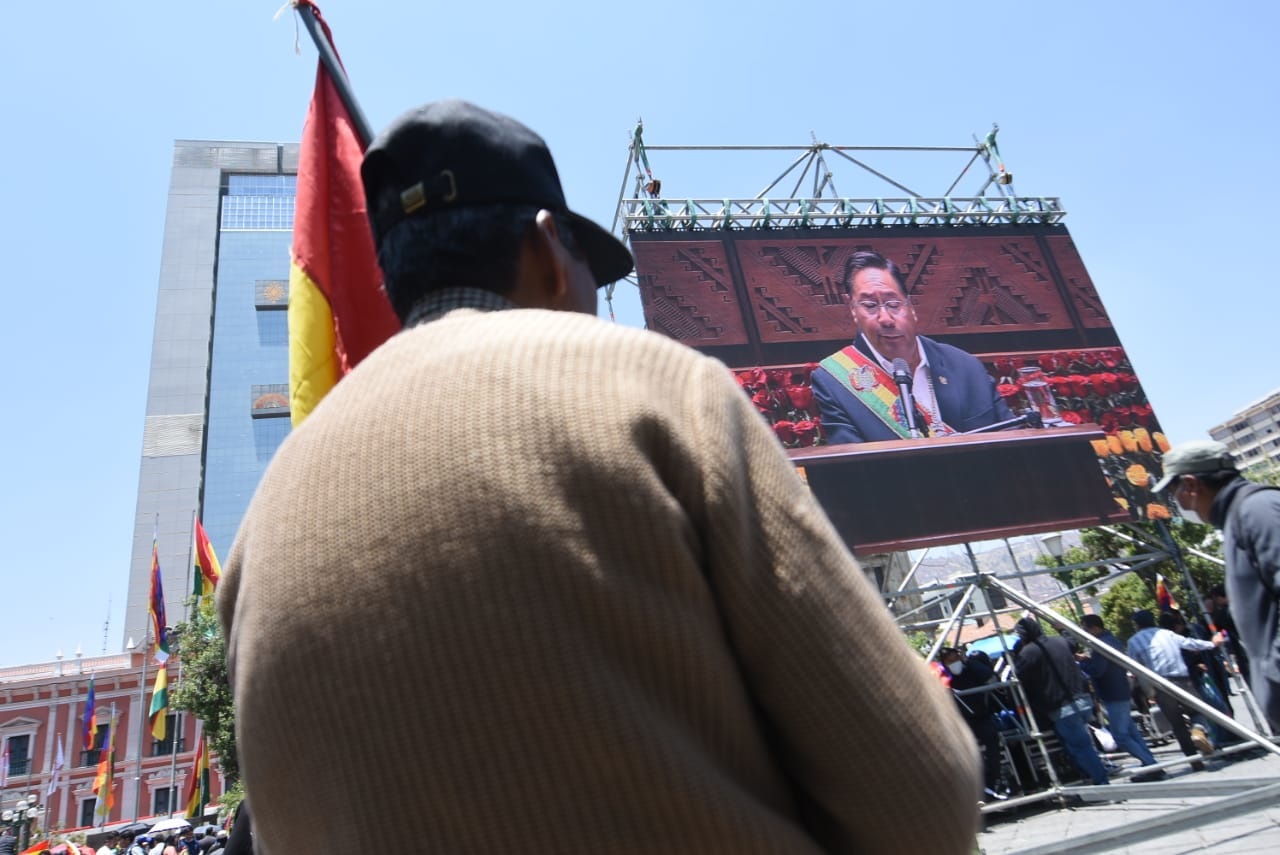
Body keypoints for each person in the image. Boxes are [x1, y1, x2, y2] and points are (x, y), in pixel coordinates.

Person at [217, 98, 981, 853]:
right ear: (549, 251)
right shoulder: (662, 389)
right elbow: (922, 784)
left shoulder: (259, 533)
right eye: (590, 265)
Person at [810, 250, 1014, 444]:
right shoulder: (835, 382)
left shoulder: (965, 366)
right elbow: (853, 468)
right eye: (870, 306)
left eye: (893, 304)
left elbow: (1011, 437)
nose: (886, 319)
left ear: (910, 306)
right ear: (853, 311)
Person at [1156, 439, 1280, 730]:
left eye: (1174, 492)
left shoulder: (1257, 510)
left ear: (1191, 485)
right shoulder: (1238, 518)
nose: (1178, 503)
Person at [1012, 617, 1110, 785]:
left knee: (1080, 747)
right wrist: (1061, 629)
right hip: (1083, 700)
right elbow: (1073, 642)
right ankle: (1092, 776)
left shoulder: (1028, 653)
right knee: (1083, 744)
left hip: (1062, 707)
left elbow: (1021, 676)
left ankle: (1101, 782)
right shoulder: (1059, 642)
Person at [1125, 608, 1222, 768]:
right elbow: (1190, 644)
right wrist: (1212, 643)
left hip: (1160, 685)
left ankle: (1194, 760)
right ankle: (1198, 731)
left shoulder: (1133, 642)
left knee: (1177, 724)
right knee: (1196, 712)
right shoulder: (1166, 634)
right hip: (1182, 680)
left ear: (1137, 625)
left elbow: (1135, 667)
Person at [1078, 614, 1165, 780]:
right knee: (1132, 734)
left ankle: (1152, 765)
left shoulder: (1100, 644)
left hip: (1112, 693)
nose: (1085, 632)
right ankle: (1151, 765)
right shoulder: (1112, 640)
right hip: (1121, 690)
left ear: (1094, 628)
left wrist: (1083, 663)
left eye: (1085, 628)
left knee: (1121, 736)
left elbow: (1097, 670)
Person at [939, 647, 1007, 801]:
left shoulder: (971, 670)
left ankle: (994, 780)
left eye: (955, 659)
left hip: (982, 717)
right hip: (963, 722)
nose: (954, 663)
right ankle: (982, 785)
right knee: (969, 752)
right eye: (950, 661)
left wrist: (967, 661)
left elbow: (990, 677)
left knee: (992, 741)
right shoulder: (945, 676)